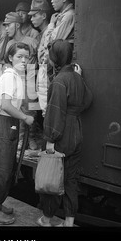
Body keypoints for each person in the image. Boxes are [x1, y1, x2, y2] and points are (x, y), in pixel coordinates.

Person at [36, 39, 93, 227]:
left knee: (53, 176)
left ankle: (47, 219)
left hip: (61, 133)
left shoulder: (60, 80)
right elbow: (87, 100)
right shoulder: (77, 77)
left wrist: (50, 139)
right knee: (70, 179)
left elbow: (55, 111)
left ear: (56, 58)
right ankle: (69, 222)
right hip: (76, 131)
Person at [0, 42, 34, 225]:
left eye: (26, 57)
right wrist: (25, 118)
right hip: (5, 123)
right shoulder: (9, 76)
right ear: (11, 57)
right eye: (19, 56)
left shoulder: (16, 76)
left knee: (6, 168)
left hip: (10, 123)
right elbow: (5, 105)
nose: (23, 60)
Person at [3, 12, 39, 151]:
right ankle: (21, 139)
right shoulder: (10, 44)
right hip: (16, 79)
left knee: (31, 111)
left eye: (8, 25)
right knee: (18, 110)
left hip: (30, 79)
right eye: (4, 26)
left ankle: (31, 138)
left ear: (17, 25)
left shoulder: (32, 41)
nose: (6, 28)